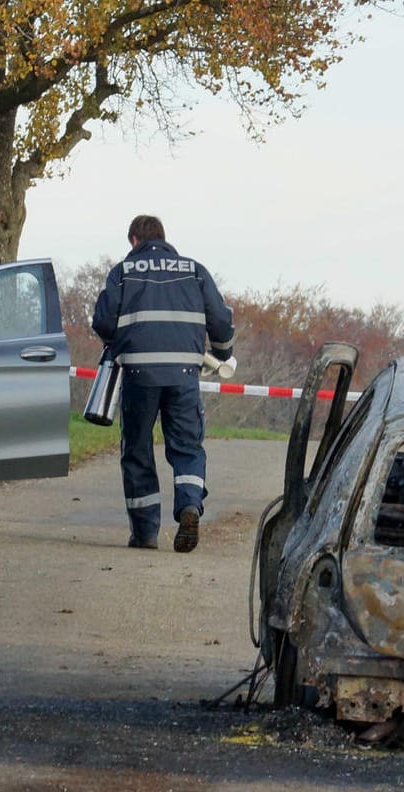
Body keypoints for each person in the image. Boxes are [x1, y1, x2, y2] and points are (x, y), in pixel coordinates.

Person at [92, 215, 235, 552]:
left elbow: (102, 321)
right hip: (184, 375)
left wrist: (121, 342)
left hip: (139, 375)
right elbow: (220, 319)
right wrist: (222, 353)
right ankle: (188, 506)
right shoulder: (194, 270)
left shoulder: (123, 272)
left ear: (133, 241)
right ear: (163, 238)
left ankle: (144, 534)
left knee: (138, 450)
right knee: (186, 447)